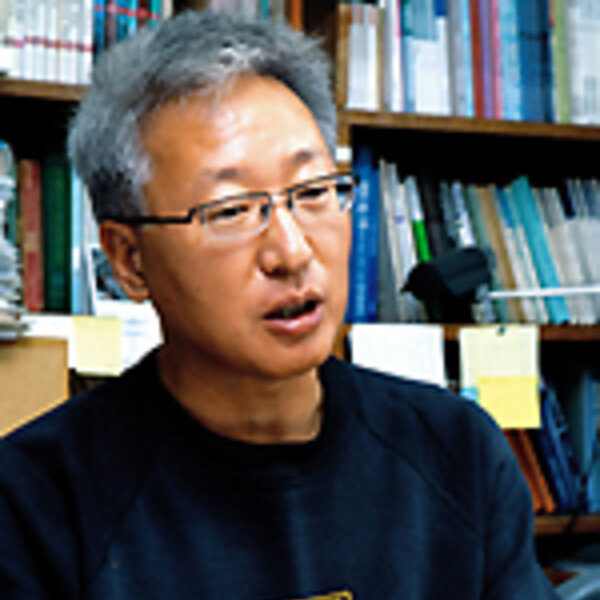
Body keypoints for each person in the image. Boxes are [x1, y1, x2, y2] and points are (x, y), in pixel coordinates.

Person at [0, 10, 560, 600]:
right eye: (231, 211)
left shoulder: (457, 454)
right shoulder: (37, 504)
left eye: (314, 192)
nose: (292, 252)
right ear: (129, 260)